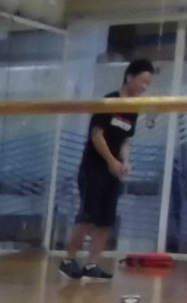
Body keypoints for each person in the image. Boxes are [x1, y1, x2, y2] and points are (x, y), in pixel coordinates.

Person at [61, 59, 157, 281]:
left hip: (112, 172)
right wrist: (111, 161)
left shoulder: (132, 110)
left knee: (106, 220)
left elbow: (125, 141)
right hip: (93, 168)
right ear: (130, 77)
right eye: (143, 81)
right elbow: (97, 135)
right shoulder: (109, 101)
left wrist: (125, 162)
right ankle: (68, 260)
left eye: (148, 83)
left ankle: (92, 264)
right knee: (87, 216)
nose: (145, 87)